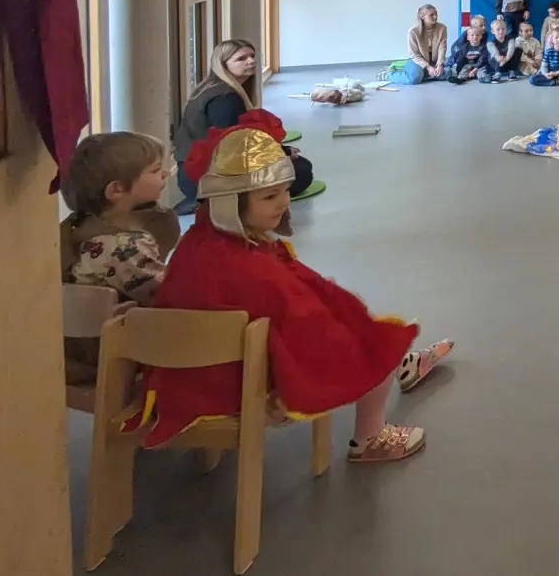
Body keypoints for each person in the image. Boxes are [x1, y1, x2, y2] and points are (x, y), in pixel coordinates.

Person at [139, 113, 453, 463]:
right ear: (229, 203)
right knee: (368, 345)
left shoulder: (199, 244)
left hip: (188, 380)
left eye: (285, 192)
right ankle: (370, 436)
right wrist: (365, 337)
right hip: (236, 386)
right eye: (271, 196)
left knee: (343, 314)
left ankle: (400, 363)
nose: (285, 203)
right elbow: (306, 324)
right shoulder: (251, 269)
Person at [60, 132, 180, 385]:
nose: (165, 174)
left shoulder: (77, 225)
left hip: (77, 347)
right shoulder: (123, 247)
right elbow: (167, 295)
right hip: (107, 354)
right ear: (116, 189)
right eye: (156, 170)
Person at [174, 39, 312, 211]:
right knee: (301, 170)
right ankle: (212, 198)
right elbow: (230, 146)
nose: (251, 61)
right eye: (241, 58)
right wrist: (281, 153)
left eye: (252, 56)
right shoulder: (225, 98)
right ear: (224, 65)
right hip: (203, 178)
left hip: (195, 173)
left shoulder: (216, 88)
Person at [393, 4, 447, 85]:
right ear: (422, 16)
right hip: (418, 60)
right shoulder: (413, 31)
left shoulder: (442, 28)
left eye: (436, 14)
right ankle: (388, 74)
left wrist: (440, 64)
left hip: (434, 61)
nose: (435, 17)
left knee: (448, 73)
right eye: (431, 15)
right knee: (414, 79)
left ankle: (423, 74)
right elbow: (414, 55)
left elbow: (442, 48)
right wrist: (428, 67)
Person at [485, 16, 520, 82]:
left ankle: (511, 71)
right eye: (498, 29)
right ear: (492, 31)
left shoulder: (511, 39)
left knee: (518, 50)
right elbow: (495, 52)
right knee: (492, 54)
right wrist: (498, 57)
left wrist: (506, 59)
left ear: (506, 29)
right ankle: (498, 73)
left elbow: (511, 50)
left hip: (508, 60)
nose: (501, 31)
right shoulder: (490, 42)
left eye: (503, 29)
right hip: (497, 62)